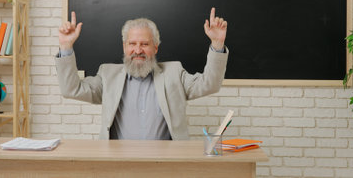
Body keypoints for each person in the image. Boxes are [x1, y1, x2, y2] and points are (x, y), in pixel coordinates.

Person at [55, 7, 228, 140]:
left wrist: (218, 44)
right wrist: (66, 47)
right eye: (132, 44)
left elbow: (210, 84)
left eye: (144, 44)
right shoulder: (107, 75)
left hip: (167, 166)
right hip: (119, 166)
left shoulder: (174, 73)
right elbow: (71, 90)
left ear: (155, 47)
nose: (138, 50)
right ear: (124, 47)